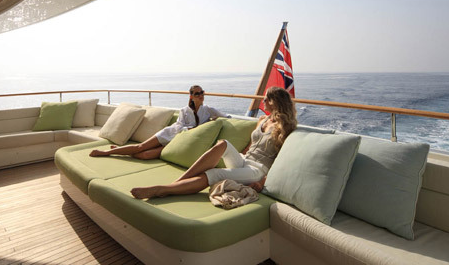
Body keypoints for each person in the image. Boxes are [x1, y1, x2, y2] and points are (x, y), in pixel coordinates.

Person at [130, 86, 297, 199]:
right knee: (223, 143)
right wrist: (240, 155)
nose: (263, 102)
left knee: (214, 174)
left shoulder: (286, 127)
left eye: (266, 99)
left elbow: (280, 160)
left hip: (257, 170)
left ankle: (164, 190)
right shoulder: (262, 120)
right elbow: (251, 145)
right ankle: (178, 182)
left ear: (275, 102)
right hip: (244, 160)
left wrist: (261, 182)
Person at [90, 85, 228, 160]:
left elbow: (227, 117)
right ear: (191, 96)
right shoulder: (184, 110)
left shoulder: (208, 110)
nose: (201, 95)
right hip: (169, 134)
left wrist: (214, 121)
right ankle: (106, 152)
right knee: (140, 147)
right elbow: (179, 126)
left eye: (202, 92)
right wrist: (192, 129)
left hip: (177, 142)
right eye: (197, 93)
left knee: (145, 155)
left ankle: (122, 151)